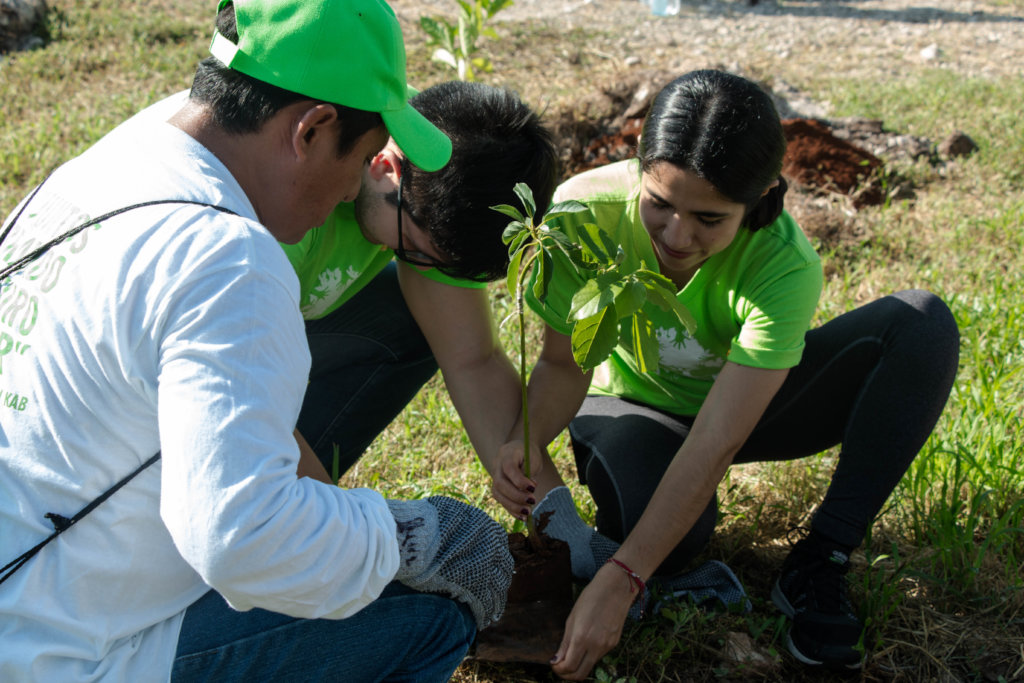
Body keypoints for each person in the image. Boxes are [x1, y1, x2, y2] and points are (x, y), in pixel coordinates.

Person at [0, 1, 514, 681]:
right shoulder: (228, 260)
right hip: (57, 650)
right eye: (361, 158)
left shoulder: (107, 166)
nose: (343, 194)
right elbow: (243, 538)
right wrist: (415, 535)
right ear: (312, 128)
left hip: (30, 571)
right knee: (423, 622)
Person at [487, 69, 960, 678]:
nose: (677, 236)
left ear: (760, 197)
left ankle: (824, 557)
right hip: (633, 405)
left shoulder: (783, 263)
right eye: (658, 204)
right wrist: (523, 442)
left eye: (710, 219)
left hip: (742, 408)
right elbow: (560, 364)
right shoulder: (582, 215)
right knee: (668, 541)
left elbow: (718, 437)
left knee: (921, 323)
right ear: (639, 167)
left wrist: (623, 579)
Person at [280, 79, 558, 482]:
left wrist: (558, 523)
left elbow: (473, 360)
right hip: (197, 355)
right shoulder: (284, 195)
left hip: (277, 337)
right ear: (385, 169)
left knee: (413, 321)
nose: (419, 265)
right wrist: (341, 529)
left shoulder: (441, 157)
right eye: (412, 247)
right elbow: (236, 387)